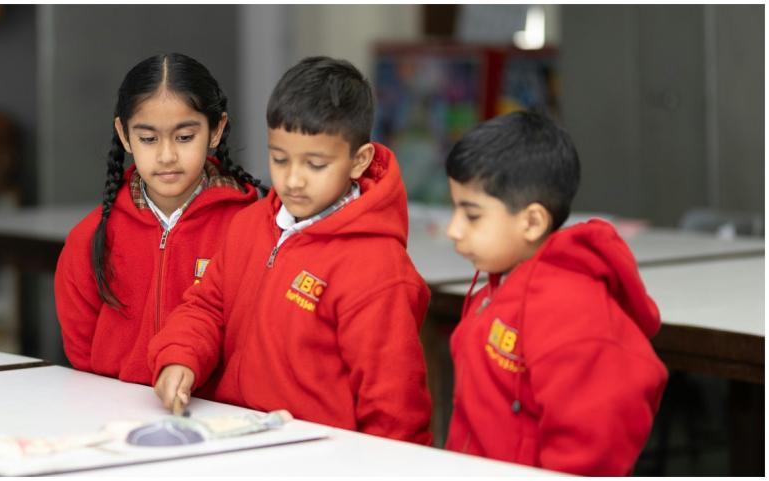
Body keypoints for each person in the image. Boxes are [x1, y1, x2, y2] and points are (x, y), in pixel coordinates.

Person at [148, 56, 433, 445]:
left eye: (315, 164)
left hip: (320, 456)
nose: (293, 180)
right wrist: (181, 355)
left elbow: (395, 409)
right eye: (279, 159)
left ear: (359, 160)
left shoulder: (376, 270)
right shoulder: (250, 225)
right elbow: (208, 306)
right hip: (233, 435)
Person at [442, 110, 668, 475]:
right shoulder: (499, 284)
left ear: (532, 221)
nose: (453, 229)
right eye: (455, 209)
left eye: (472, 215)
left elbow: (596, 441)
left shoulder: (573, 311)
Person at [55, 53, 261, 386]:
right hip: (112, 415)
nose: (166, 156)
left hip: (216, 419)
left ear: (216, 129)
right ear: (124, 135)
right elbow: (81, 353)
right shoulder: (90, 237)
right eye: (148, 139)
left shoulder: (249, 229)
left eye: (184, 137)